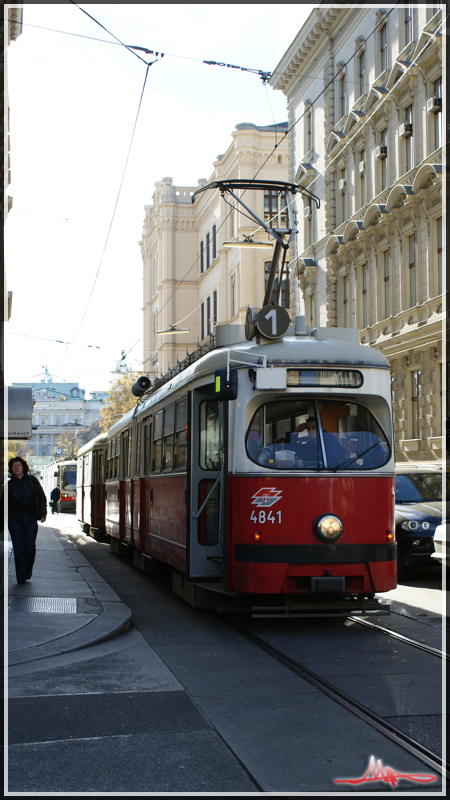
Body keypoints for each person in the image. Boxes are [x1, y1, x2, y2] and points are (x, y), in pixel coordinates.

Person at [7, 457, 47, 585]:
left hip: (30, 518)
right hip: (14, 519)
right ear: (11, 469)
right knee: (18, 548)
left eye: (18, 465)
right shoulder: (10, 484)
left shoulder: (32, 480)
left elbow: (41, 496)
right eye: (14, 466)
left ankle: (28, 570)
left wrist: (42, 514)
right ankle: (21, 577)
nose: (16, 468)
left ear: (23, 467)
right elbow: (3, 503)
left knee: (30, 547)